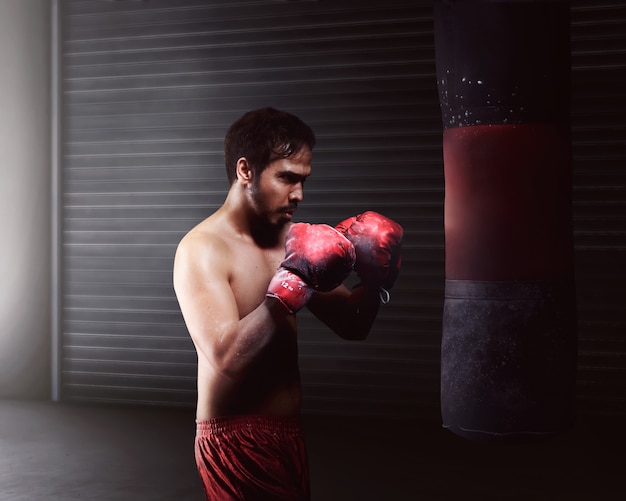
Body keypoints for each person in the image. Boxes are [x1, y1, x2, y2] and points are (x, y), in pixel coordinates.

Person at [173, 107, 403, 500]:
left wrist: (377, 278)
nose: (299, 194)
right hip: (235, 439)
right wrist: (293, 285)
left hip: (288, 436)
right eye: (287, 178)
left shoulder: (289, 238)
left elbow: (352, 324)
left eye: (303, 180)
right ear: (246, 170)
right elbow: (225, 359)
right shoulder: (202, 249)